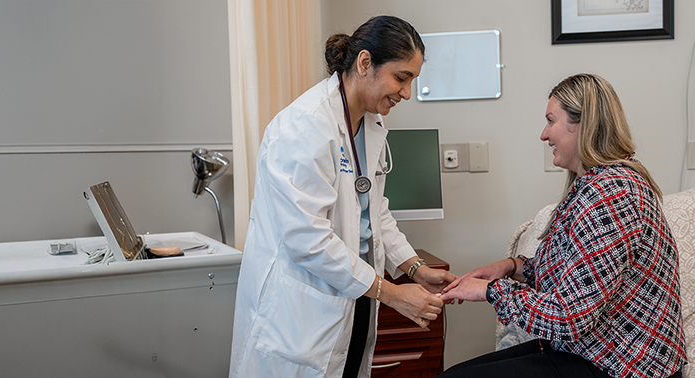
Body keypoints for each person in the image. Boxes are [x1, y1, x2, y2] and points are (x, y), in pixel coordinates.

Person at [228, 15, 457, 378]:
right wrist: (393, 294)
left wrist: (414, 268)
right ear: (365, 63)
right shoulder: (305, 126)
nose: (407, 93)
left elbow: (374, 209)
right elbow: (307, 238)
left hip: (355, 296)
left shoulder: (369, 123)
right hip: (301, 310)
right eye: (402, 77)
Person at [441, 73, 687, 378]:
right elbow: (573, 272)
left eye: (550, 121)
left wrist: (490, 291)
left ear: (583, 125)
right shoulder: (594, 185)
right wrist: (510, 266)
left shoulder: (612, 194)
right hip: (595, 352)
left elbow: (569, 317)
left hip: (625, 365)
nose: (544, 135)